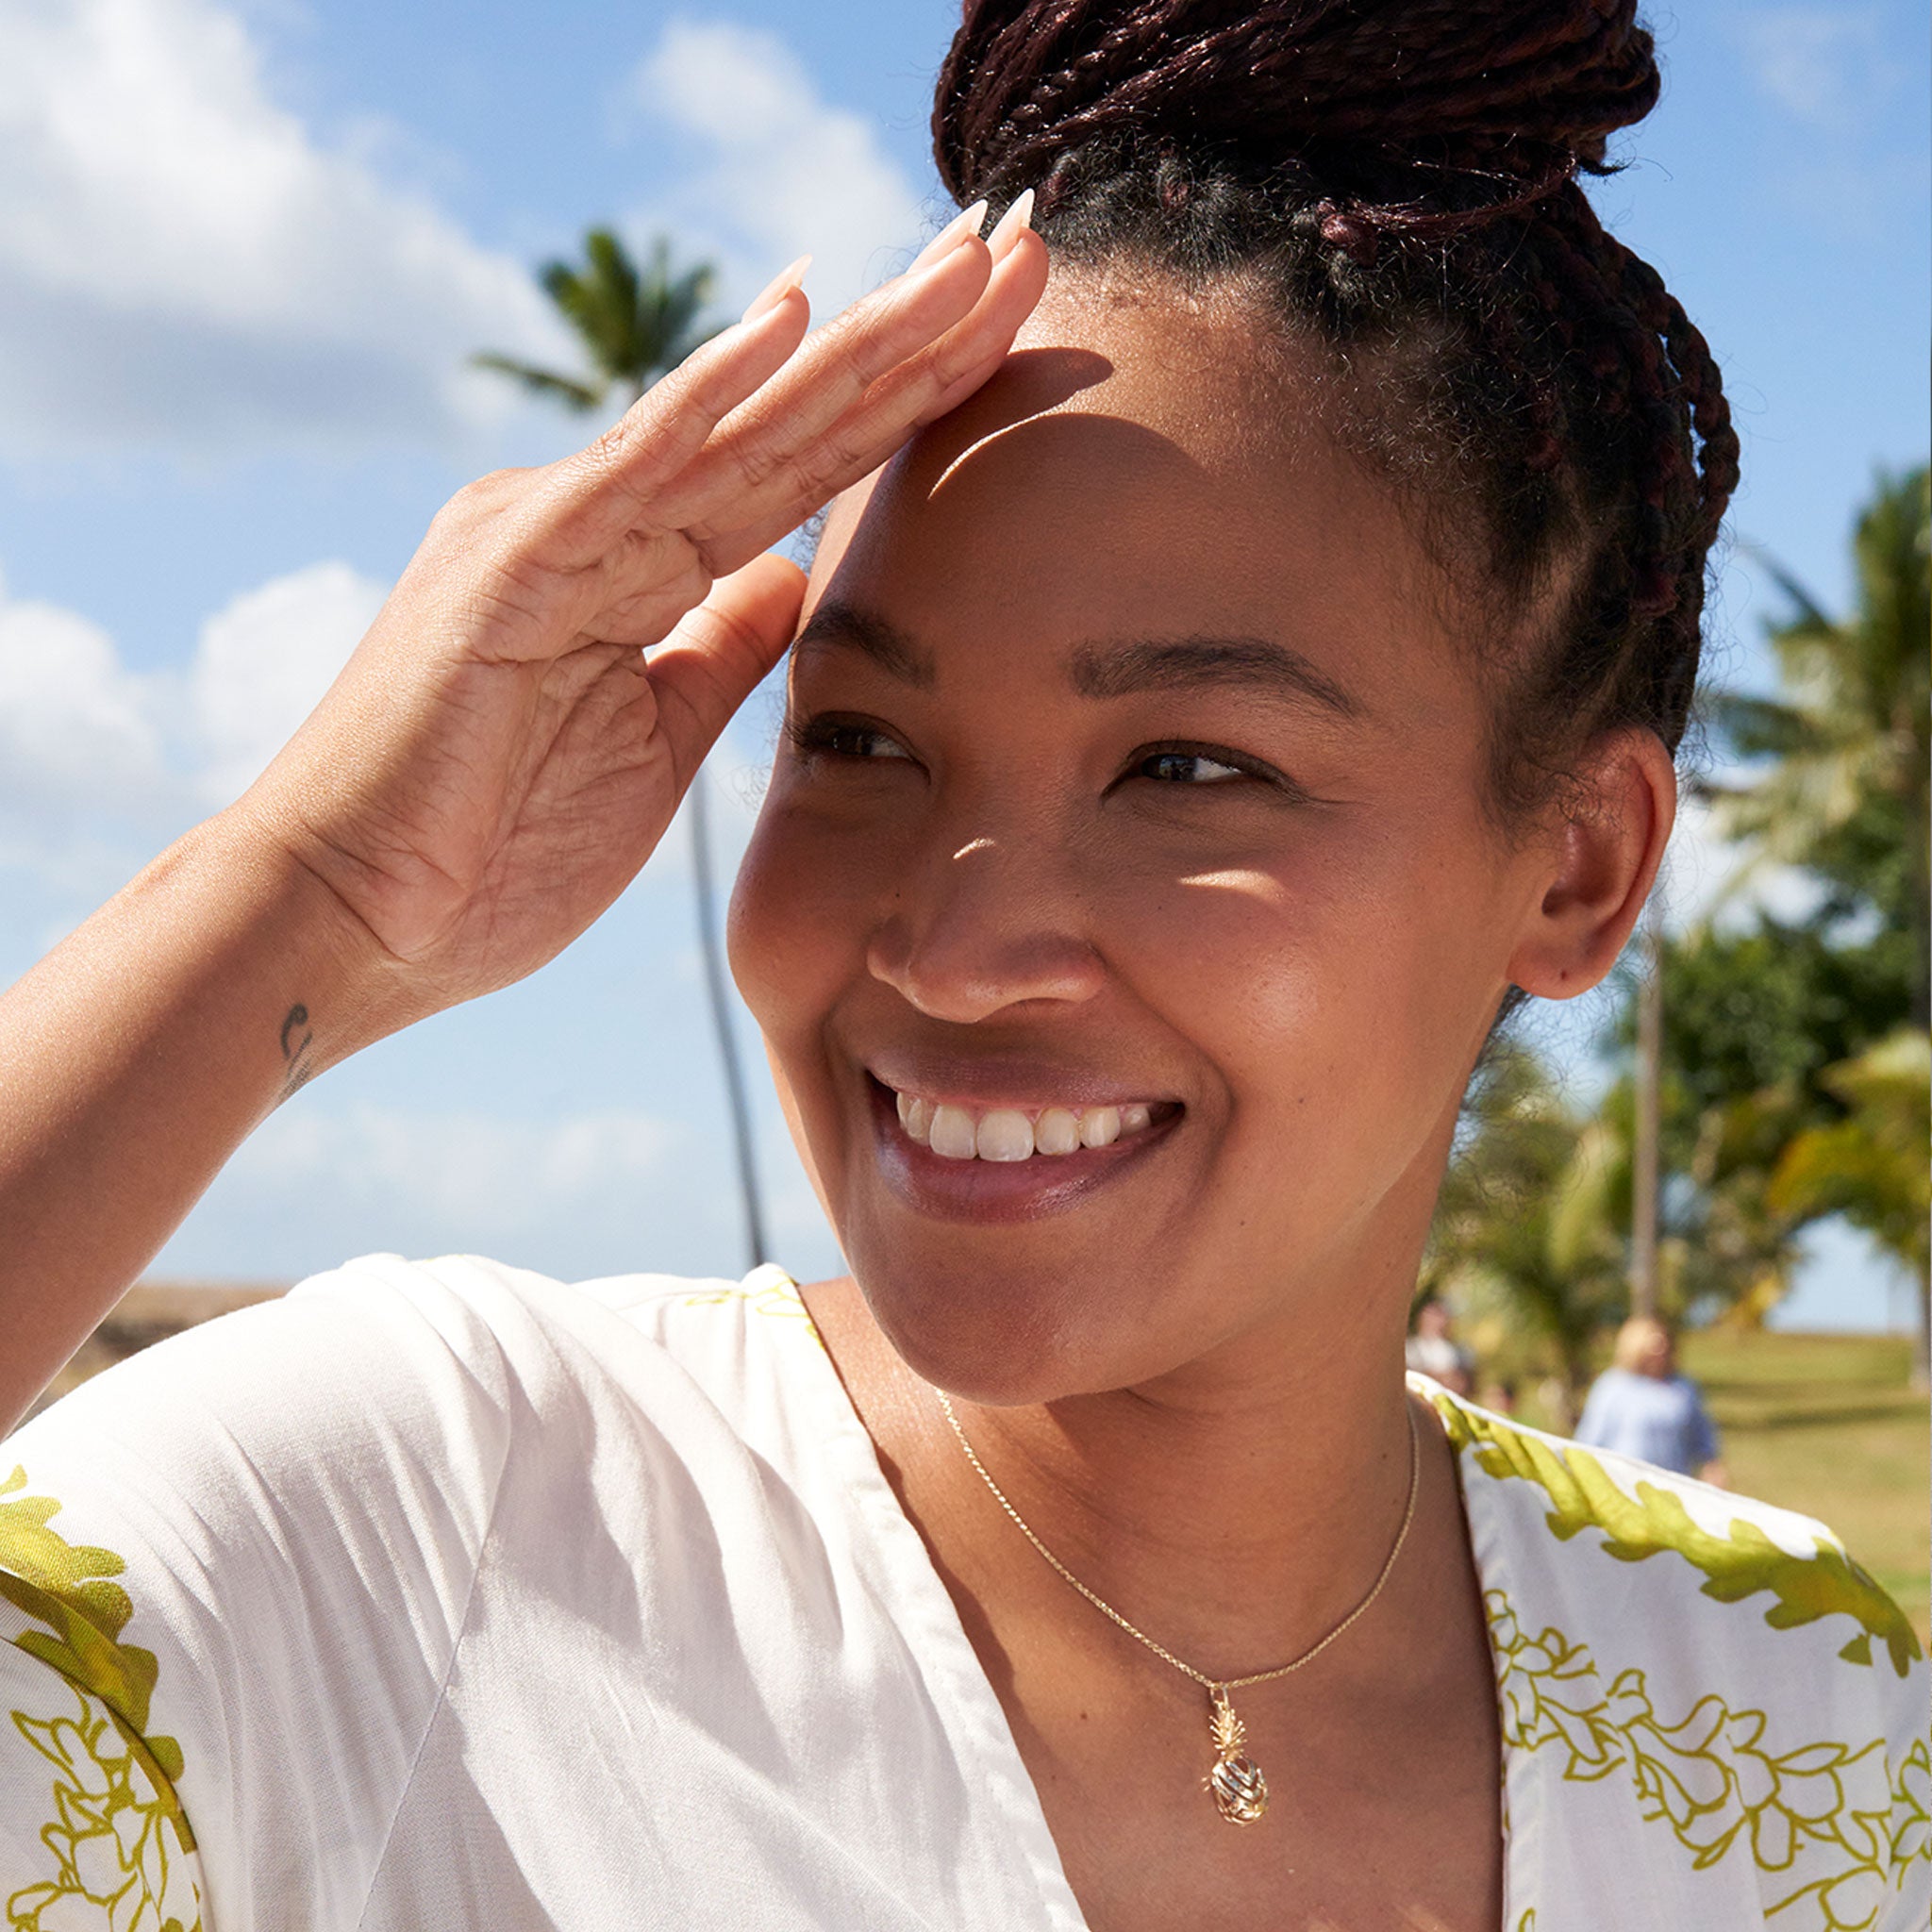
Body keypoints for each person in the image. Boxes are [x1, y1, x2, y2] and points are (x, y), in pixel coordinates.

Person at [0, 4, 1924, 1928]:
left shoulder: (1787, 1701)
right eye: (856, 745)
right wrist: (312, 885)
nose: (954, 944)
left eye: (1187, 768)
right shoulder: (401, 1528)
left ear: (1580, 868)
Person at [1575, 1314, 1729, 1486]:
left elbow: (1702, 1438)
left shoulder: (1683, 1387)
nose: (1661, 1349)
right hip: (1623, 1487)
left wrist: (1712, 1468)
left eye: (1665, 1343)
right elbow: (1589, 1441)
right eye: (1654, 1343)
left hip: (1674, 1488)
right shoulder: (1612, 1386)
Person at [1405, 1295, 1476, 1397]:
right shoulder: (1411, 1349)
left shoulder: (1461, 1351)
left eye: (1441, 1316)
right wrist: (1442, 1378)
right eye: (1433, 1316)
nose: (1438, 1322)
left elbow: (1471, 1383)